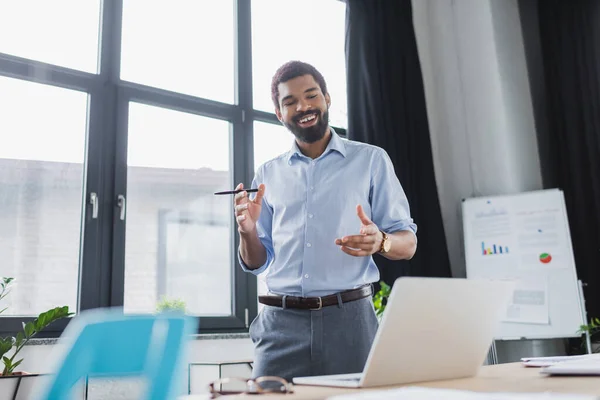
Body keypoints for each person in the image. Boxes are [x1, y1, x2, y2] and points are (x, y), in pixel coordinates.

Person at [234, 60, 417, 381]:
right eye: (289, 102)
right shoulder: (267, 173)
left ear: (327, 99)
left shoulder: (371, 160)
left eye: (311, 95)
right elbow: (257, 262)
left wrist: (382, 241)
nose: (303, 106)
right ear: (279, 113)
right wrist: (247, 231)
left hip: (349, 323)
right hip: (280, 324)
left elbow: (408, 244)